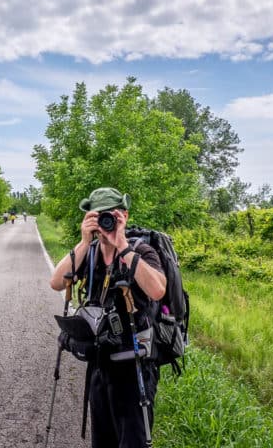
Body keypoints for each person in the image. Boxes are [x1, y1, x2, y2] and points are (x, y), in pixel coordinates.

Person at [49, 187, 166, 448]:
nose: (105, 222)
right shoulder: (88, 252)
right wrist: (82, 241)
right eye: (98, 215)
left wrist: (122, 244)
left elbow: (158, 289)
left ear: (123, 215)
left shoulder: (141, 250)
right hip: (100, 364)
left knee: (132, 442)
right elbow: (56, 282)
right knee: (102, 440)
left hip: (134, 365)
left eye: (110, 215)